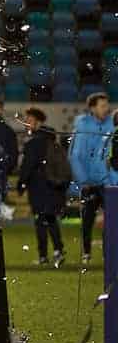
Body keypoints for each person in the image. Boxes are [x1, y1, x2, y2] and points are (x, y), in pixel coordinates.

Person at [19, 107, 68, 266]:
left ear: (38, 122)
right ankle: (58, 251)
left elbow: (27, 166)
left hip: (39, 188)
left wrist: (21, 184)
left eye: (29, 120)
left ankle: (43, 256)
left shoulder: (34, 143)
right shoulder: (52, 140)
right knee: (51, 220)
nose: (27, 124)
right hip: (54, 188)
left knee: (41, 221)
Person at [68, 92, 113, 264]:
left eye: (106, 105)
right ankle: (86, 253)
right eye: (102, 106)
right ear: (93, 108)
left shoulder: (112, 125)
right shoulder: (83, 126)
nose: (106, 109)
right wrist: (83, 180)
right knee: (87, 220)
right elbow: (75, 156)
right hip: (89, 183)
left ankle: (108, 254)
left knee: (111, 221)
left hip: (107, 182)